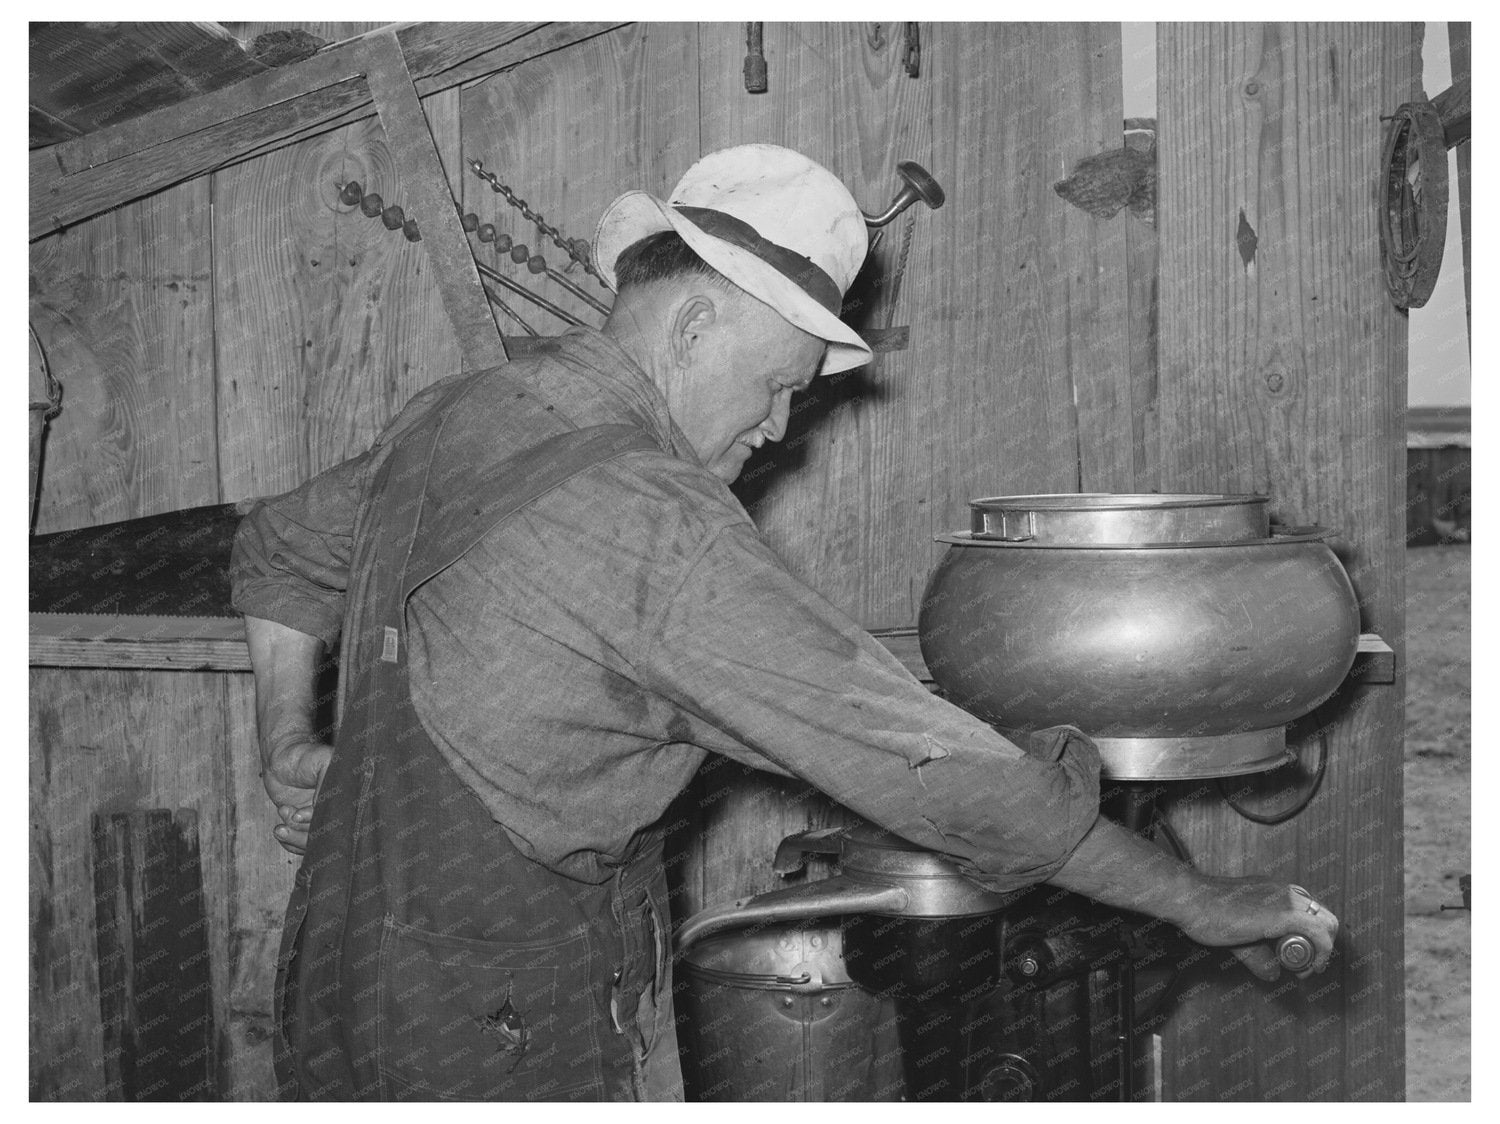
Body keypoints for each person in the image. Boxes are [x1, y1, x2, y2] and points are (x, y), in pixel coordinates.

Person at [230, 144, 1338, 1103]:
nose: (774, 430)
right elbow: (950, 782)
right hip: (491, 1019)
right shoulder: (659, 530)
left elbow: (278, 547)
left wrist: (285, 734)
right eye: (777, 386)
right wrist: (1198, 898)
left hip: (337, 972)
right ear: (697, 321)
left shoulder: (461, 414)